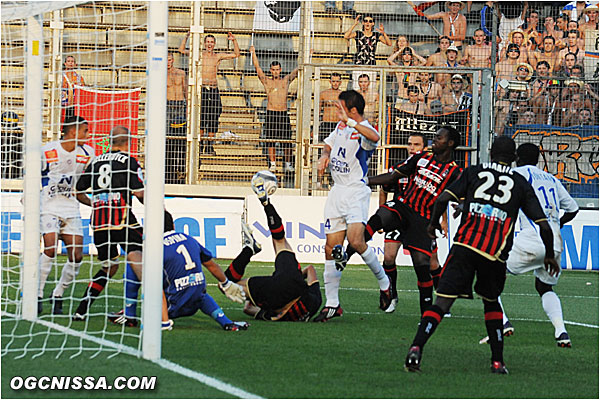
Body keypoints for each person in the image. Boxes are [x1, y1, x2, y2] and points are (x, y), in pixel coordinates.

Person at [404, 136, 560, 375]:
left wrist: (432, 224)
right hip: (494, 253)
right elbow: (544, 225)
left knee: (443, 302)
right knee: (491, 301)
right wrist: (549, 254)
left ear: (490, 151)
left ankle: (416, 347)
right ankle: (498, 362)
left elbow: (443, 198)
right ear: (514, 158)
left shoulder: (473, 172)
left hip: (464, 246)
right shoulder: (519, 183)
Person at [337, 126, 463, 316]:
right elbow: (394, 175)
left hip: (423, 220)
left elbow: (464, 195)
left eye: (439, 138)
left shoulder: (455, 172)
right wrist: (364, 181)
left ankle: (427, 315)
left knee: (423, 266)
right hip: (403, 206)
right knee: (381, 216)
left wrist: (462, 206)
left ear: (450, 143)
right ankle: (345, 257)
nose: (434, 140)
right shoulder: (421, 158)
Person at [479, 143, 579, 348]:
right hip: (555, 241)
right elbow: (573, 208)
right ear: (538, 159)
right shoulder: (551, 179)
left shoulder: (515, 174)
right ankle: (561, 332)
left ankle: (502, 322)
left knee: (487, 272)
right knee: (545, 286)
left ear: (517, 158)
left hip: (531, 238)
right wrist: (558, 223)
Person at [313, 90, 392, 322]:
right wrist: (324, 156)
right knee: (330, 248)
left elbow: (375, 137)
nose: (336, 110)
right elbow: (328, 145)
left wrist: (349, 122)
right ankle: (332, 304)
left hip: (356, 191)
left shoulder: (363, 129)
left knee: (356, 241)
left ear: (352, 110)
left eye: (339, 107)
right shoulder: (339, 127)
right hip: (337, 191)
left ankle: (384, 282)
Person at [109, 211, 251, 331]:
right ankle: (226, 322)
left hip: (174, 307)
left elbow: (155, 286)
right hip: (195, 302)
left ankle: (130, 315)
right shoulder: (189, 239)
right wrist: (225, 283)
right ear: (173, 225)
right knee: (197, 287)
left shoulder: (154, 248)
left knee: (133, 261)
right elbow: (211, 265)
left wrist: (164, 320)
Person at [72, 126, 145, 320]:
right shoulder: (129, 161)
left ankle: (81, 309)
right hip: (122, 220)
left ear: (110, 141)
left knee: (110, 267)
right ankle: (145, 307)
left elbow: (78, 191)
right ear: (128, 141)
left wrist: (94, 203)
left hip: (99, 223)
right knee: (142, 258)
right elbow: (139, 194)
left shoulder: (96, 161)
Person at [229, 185, 322, 322]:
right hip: (273, 296)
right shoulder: (277, 314)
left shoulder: (315, 302)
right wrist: (257, 300)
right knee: (228, 284)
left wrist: (296, 276)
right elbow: (247, 309)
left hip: (292, 281)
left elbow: (310, 269)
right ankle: (249, 249)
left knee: (279, 240)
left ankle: (266, 203)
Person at [38, 116, 94, 315]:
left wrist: (94, 204)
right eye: (85, 131)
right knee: (51, 248)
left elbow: (79, 189)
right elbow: (35, 177)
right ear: (73, 132)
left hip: (71, 208)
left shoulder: (88, 154)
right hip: (49, 206)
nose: (88, 135)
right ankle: (36, 295)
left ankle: (58, 294)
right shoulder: (48, 151)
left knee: (77, 255)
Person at [378, 132, 426, 313]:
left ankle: (439, 301)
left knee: (430, 264)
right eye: (410, 144)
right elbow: (384, 189)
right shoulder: (398, 169)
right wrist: (383, 214)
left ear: (425, 148)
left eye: (417, 145)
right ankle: (391, 295)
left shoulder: (429, 171)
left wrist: (442, 221)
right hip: (398, 217)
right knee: (389, 257)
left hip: (419, 219)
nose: (412, 148)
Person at [250, 45, 298, 173]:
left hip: (283, 113)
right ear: (270, 70)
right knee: (271, 140)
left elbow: (298, 70)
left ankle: (288, 163)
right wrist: (253, 53)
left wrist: (307, 55)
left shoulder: (286, 80)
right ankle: (273, 163)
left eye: (277, 69)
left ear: (280, 69)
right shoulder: (267, 82)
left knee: (286, 140)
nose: (276, 72)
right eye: (273, 70)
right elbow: (257, 68)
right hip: (271, 113)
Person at [198, 33, 240, 155]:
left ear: (214, 44)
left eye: (212, 42)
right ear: (204, 43)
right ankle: (200, 145)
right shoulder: (200, 55)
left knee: (213, 117)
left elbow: (236, 54)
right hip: (202, 89)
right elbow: (181, 50)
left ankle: (209, 145)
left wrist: (234, 40)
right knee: (201, 118)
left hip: (213, 88)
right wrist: (187, 37)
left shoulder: (217, 56)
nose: (209, 44)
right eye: (208, 42)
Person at [344, 14, 392, 89]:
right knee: (356, 88)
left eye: (370, 21)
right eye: (365, 21)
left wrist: (384, 33)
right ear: (363, 23)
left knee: (371, 89)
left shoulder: (376, 35)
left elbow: (389, 43)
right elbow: (346, 36)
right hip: (358, 64)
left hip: (371, 65)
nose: (367, 23)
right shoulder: (358, 33)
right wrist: (354, 24)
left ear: (373, 23)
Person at [166, 53, 188, 156]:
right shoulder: (161, 74)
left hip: (179, 104)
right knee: (167, 133)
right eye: (166, 60)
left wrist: (188, 105)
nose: (168, 63)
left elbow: (186, 90)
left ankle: (179, 156)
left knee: (180, 132)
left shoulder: (181, 73)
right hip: (168, 105)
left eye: (169, 60)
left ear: (173, 60)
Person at [319, 73, 343, 142]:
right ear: (330, 82)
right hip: (326, 123)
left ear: (340, 82)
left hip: (338, 124)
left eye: (337, 81)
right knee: (324, 145)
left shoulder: (343, 95)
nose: (335, 83)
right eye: (333, 81)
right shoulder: (324, 94)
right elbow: (318, 110)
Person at [61, 56, 85, 120]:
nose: (70, 63)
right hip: (63, 103)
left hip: (74, 103)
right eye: (68, 61)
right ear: (65, 63)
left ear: (75, 64)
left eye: (72, 61)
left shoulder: (79, 77)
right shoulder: (60, 76)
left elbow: (82, 88)